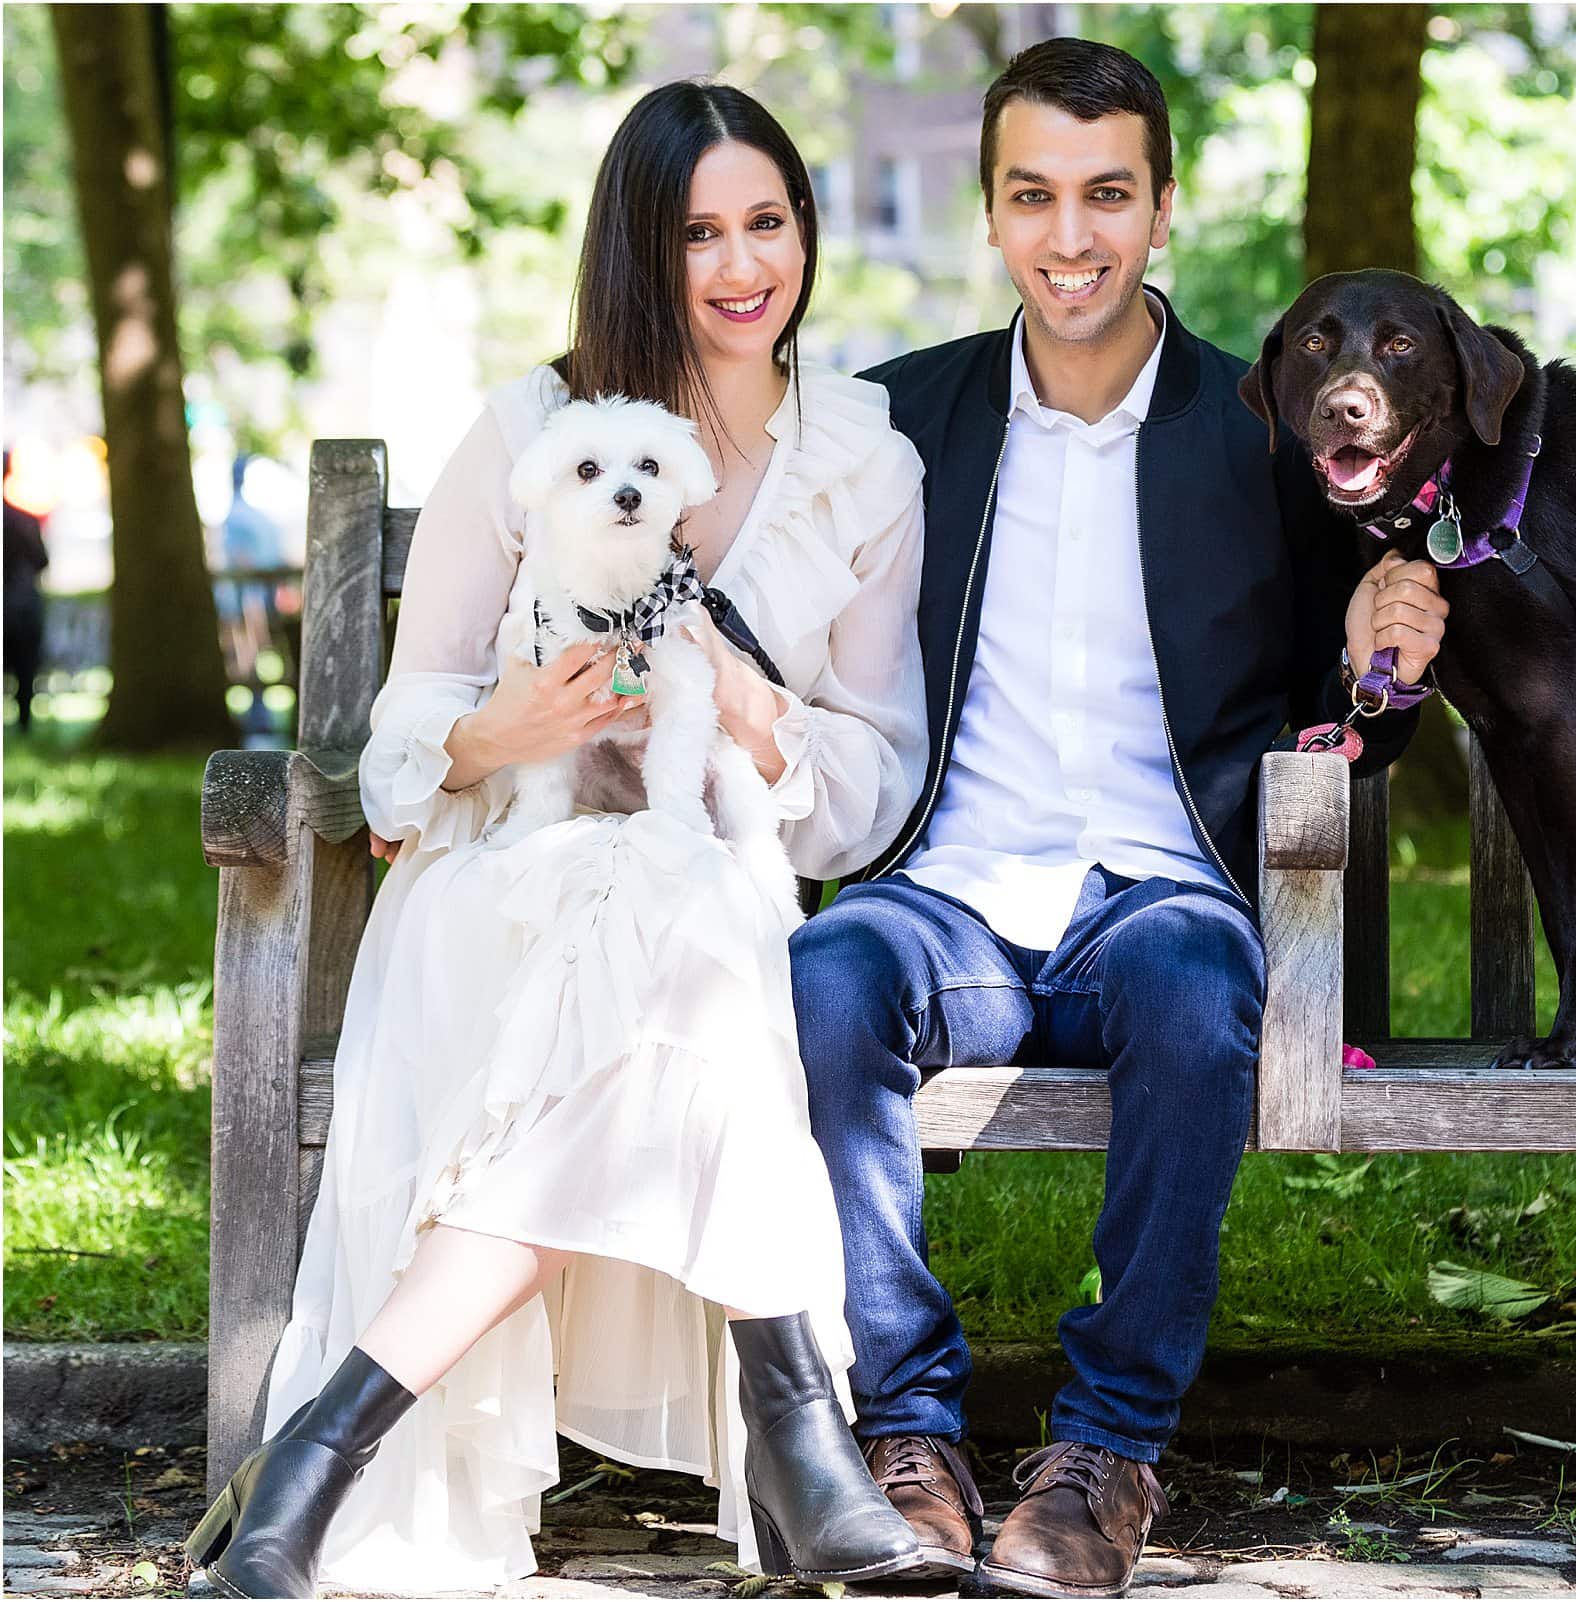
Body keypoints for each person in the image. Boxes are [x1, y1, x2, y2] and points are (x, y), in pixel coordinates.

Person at [186, 81, 930, 1596]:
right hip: (505, 874)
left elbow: (874, 779)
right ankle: (802, 1434)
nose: (742, 266)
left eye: (767, 222)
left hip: (705, 861)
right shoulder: (537, 427)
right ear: (639, 252)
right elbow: (407, 731)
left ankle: (315, 1453)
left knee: (689, 920)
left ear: (806, 227)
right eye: (698, 235)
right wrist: (505, 729)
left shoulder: (865, 460)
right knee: (688, 940)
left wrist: (747, 708)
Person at [788, 38, 1447, 1601]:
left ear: (1163, 208)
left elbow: (1347, 721)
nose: (1069, 235)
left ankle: (1105, 1456)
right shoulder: (899, 422)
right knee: (822, 978)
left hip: (1162, 886)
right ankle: (905, 1432)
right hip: (947, 894)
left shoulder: (1262, 429)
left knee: (1196, 985)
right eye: (1033, 196)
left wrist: (1385, 663)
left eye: (1106, 194)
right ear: (990, 212)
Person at [4, 450, 49, 734]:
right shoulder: (24, 520)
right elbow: (42, 561)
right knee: (24, 670)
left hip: (15, 605)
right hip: (21, 606)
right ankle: (24, 726)